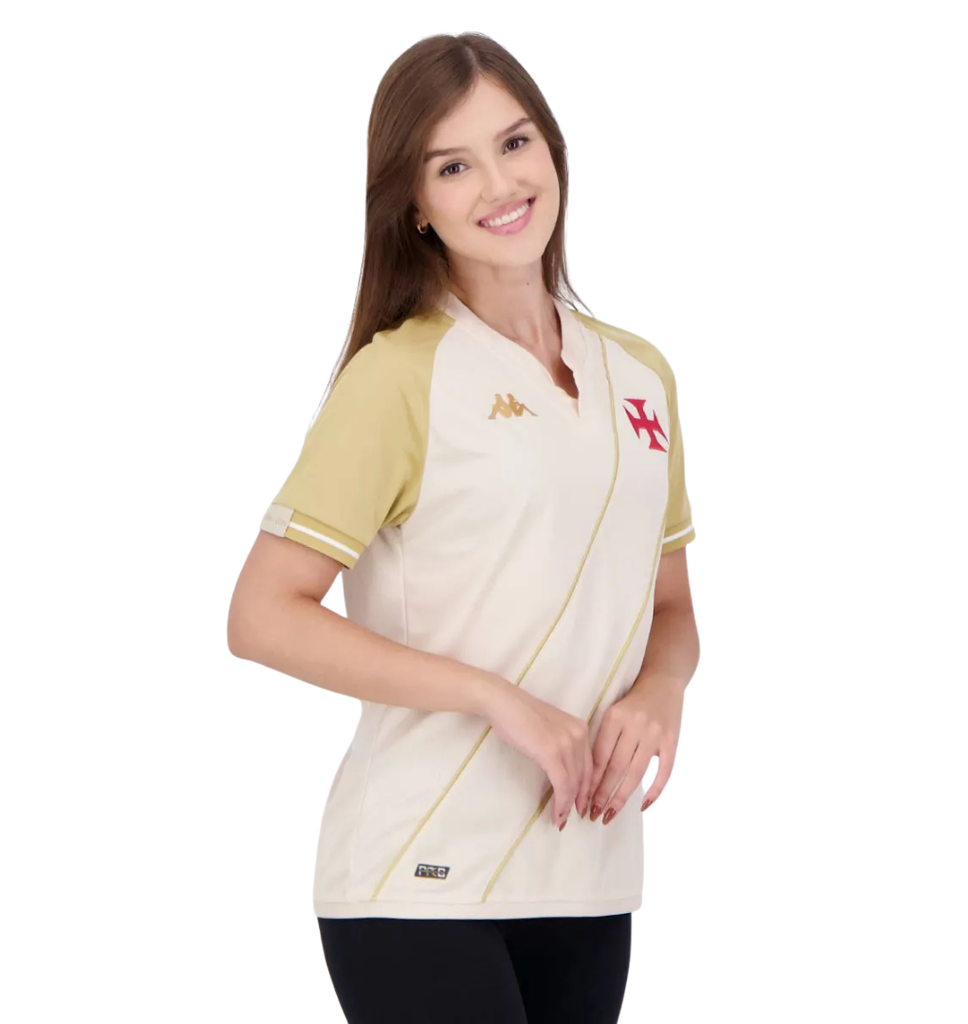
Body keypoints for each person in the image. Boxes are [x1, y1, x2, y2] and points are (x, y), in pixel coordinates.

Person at [227, 31, 700, 1024]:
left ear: (553, 149)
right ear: (414, 203)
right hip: (418, 873)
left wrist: (662, 689)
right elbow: (262, 615)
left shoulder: (640, 375)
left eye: (515, 143)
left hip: (587, 872)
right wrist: (496, 699)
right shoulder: (399, 377)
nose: (499, 183)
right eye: (453, 166)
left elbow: (669, 606)